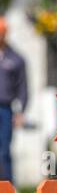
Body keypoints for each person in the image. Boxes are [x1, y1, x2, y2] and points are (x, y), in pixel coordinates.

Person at [0, 17, 28, 183]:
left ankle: (8, 185)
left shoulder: (16, 59)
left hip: (5, 108)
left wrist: (20, 112)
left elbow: (23, 88)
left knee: (4, 149)